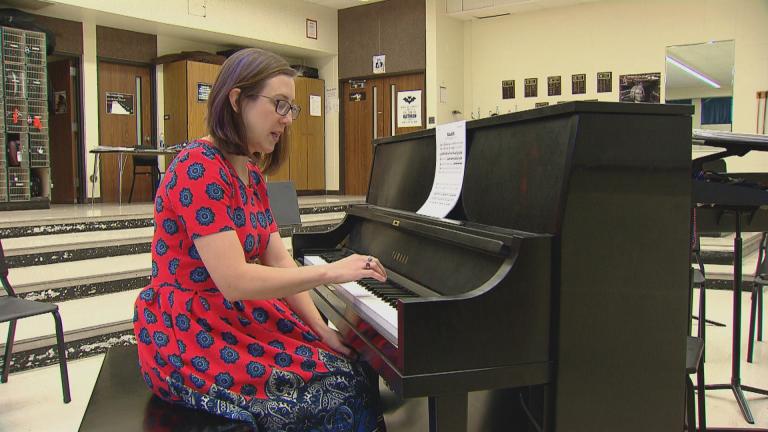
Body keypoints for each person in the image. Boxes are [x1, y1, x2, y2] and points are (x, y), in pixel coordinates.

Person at [133, 48, 388, 431]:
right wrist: (329, 273)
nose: (287, 119)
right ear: (237, 100)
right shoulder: (197, 168)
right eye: (279, 105)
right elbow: (235, 281)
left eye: (291, 108)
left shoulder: (250, 174)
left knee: (354, 367)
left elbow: (279, 260)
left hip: (235, 316)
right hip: (190, 328)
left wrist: (321, 329)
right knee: (337, 393)